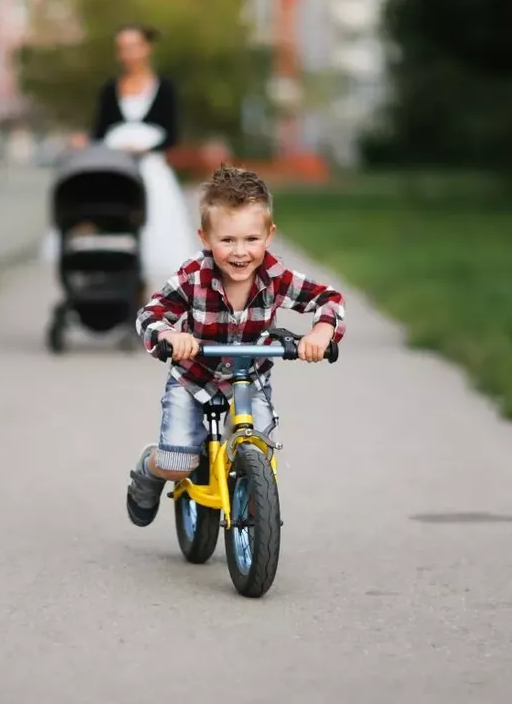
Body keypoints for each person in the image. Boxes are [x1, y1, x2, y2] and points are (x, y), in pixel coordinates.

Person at [125, 165, 348, 526]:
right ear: (205, 237)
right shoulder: (194, 276)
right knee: (177, 463)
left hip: (251, 378)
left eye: (251, 239)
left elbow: (328, 298)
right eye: (227, 240)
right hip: (194, 377)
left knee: (260, 450)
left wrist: (322, 333)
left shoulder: (275, 276)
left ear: (269, 235)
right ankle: (148, 468)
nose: (240, 252)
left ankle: (256, 517)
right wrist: (169, 336)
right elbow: (150, 314)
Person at [51, 22, 199, 292]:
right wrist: (84, 141)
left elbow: (172, 136)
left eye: (133, 46)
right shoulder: (110, 90)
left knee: (154, 235)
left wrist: (144, 149)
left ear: (147, 48)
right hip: (114, 170)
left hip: (151, 172)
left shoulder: (164, 88)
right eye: (122, 48)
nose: (127, 53)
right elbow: (99, 132)